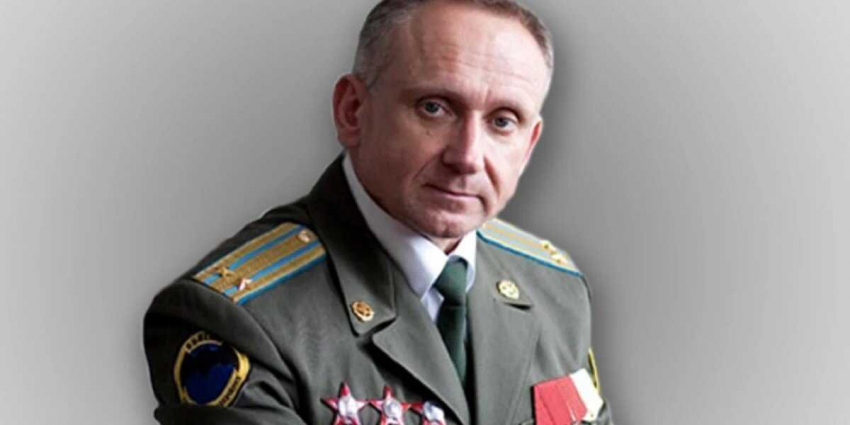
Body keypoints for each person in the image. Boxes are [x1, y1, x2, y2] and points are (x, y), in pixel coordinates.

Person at [143, 0, 614, 424]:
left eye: (503, 121)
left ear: (529, 145)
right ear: (352, 111)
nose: (469, 156)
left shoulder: (556, 291)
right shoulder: (240, 321)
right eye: (435, 108)